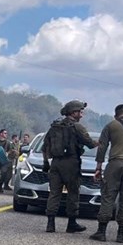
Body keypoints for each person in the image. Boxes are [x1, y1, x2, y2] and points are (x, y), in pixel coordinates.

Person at [41, 100, 96, 233]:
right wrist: (101, 143)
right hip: (71, 164)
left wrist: (46, 163)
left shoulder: (54, 127)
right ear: (73, 112)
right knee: (73, 193)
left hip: (55, 163)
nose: (81, 115)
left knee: (54, 193)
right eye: (80, 112)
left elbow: (45, 146)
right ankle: (71, 223)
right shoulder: (77, 127)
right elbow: (90, 143)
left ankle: (50, 224)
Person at [91, 104, 123, 243]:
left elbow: (102, 146)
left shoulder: (111, 125)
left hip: (115, 162)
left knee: (108, 196)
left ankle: (101, 232)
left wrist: (98, 167)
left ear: (116, 115)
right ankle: (121, 234)